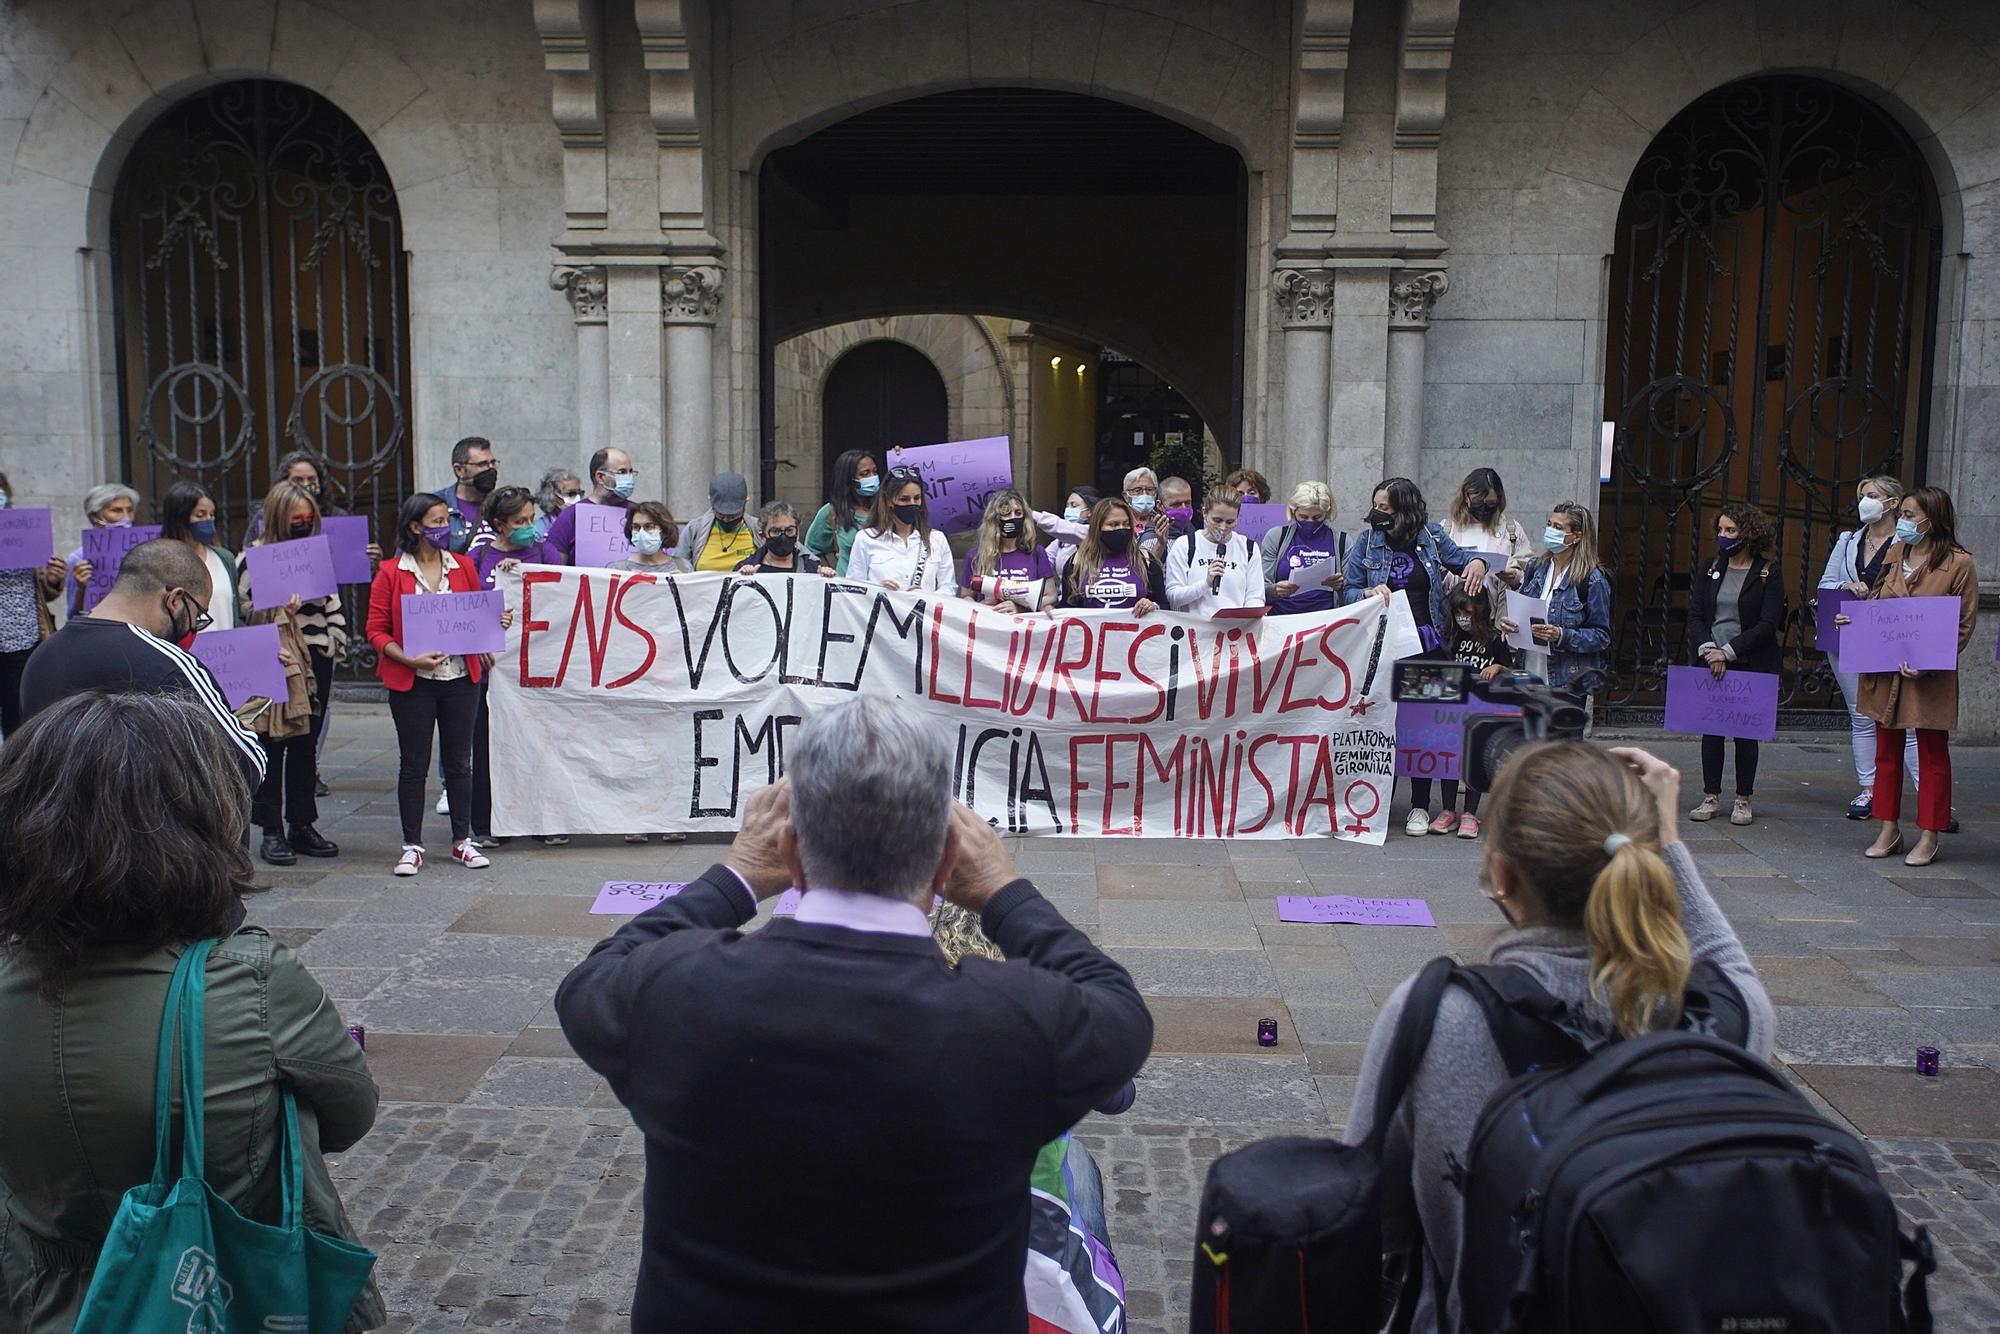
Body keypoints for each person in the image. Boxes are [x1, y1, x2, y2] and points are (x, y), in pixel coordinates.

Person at [553, 696, 1152, 1332]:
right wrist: (1005, 892)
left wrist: (734, 877)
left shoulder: (678, 994)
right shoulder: (1007, 1022)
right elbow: (1118, 1011)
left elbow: (590, 982)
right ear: (950, 859)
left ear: (787, 851)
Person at [1345, 742, 1773, 1333]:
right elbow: (1725, 959)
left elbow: (1363, 1219)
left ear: (1500, 874)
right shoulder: (1725, 1018)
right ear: (1643, 857)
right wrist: (1666, 837)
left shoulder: (1444, 1017)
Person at [0, 691, 384, 1334]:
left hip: (36, 1296)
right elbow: (350, 1112)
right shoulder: (251, 979)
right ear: (200, 822)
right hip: (213, 1293)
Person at [20, 538, 266, 790]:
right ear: (175, 599)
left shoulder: (41, 658)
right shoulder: (168, 663)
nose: (194, 626)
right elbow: (244, 766)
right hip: (138, 827)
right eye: (198, 614)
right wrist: (240, 732)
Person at [1845, 485, 1979, 868]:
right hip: (1886, 672)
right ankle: (1888, 827)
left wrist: (1930, 660)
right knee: (1886, 751)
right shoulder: (1895, 552)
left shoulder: (1959, 563)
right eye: (1901, 514)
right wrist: (1857, 620)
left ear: (1931, 520)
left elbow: (1963, 625)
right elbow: (1878, 599)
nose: (1902, 522)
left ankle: (1930, 833)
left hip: (1927, 678)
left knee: (1932, 754)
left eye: (1908, 515)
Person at [366, 493, 499, 877]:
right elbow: (375, 629)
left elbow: (474, 613)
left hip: (460, 678)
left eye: (446, 522)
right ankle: (412, 845)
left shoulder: (462, 566)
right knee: (414, 763)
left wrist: (491, 629)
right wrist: (406, 657)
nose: (445, 529)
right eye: (437, 522)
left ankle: (462, 840)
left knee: (460, 761)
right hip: (414, 682)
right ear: (415, 527)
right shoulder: (392, 573)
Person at [237, 481, 344, 866]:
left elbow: (331, 600)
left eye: (309, 517)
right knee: (272, 742)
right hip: (275, 657)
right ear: (280, 516)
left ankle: (302, 824)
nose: (303, 523)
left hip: (316, 657)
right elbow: (244, 606)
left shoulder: (316, 552)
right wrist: (274, 604)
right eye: (296, 518)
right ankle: (271, 830)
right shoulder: (253, 557)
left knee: (305, 744)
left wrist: (335, 637)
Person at [1819, 475, 1917, 820]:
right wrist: (1848, 585)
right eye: (1862, 495)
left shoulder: (1906, 541)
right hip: (1848, 636)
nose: (1865, 502)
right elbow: (1826, 584)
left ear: (1892, 502)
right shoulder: (1849, 541)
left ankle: (1927, 794)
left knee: (1903, 716)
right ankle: (1869, 790)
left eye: (1872, 495)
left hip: (1888, 637)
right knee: (1861, 716)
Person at [1685, 503, 1784, 828]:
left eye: (1731, 530)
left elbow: (1769, 623)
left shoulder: (1768, 572)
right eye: (1721, 530)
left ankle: (1744, 799)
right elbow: (1697, 613)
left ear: (1749, 534)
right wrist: (1708, 648)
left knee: (1745, 734)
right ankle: (1711, 796)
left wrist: (1728, 652)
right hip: (1710, 658)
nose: (1723, 536)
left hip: (1748, 661)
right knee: (1711, 732)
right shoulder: (1711, 566)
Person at [1405, 585, 1517, 839]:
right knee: (1449, 761)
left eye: (1467, 612)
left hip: (1480, 715)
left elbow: (1511, 669)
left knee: (1473, 762)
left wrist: (1498, 667)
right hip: (1451, 713)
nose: (1462, 618)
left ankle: (1470, 813)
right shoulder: (1451, 638)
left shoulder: (1495, 638)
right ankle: (1447, 810)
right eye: (1458, 612)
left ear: (1480, 610)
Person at [1342, 479, 1490, 656]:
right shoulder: (1366, 541)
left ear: (1404, 510)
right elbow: (1349, 593)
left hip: (1428, 634)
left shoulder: (1431, 535)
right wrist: (1368, 593)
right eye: (1375, 506)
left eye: (1384, 508)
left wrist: (1479, 563)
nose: (1376, 512)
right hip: (1383, 637)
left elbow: (1464, 561)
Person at [1502, 502, 1613, 698]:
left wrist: (1561, 635)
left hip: (1567, 681)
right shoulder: (1536, 567)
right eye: (1549, 524)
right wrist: (1511, 625)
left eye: (1559, 528)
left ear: (1576, 537)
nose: (1551, 531)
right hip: (1528, 674)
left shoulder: (1592, 579)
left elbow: (1601, 636)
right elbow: (1526, 613)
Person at [0, 471, 65, 738]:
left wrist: (53, 578)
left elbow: (41, 589)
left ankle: (14, 775)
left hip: (24, 638)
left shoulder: (23, 530)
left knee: (20, 716)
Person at [846, 465, 957, 594]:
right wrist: (877, 590)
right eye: (904, 499)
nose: (912, 503)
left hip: (924, 613)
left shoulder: (937, 539)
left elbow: (949, 587)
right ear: (889, 501)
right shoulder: (866, 538)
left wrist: (928, 596)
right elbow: (853, 589)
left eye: (917, 498)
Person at [1059, 497, 1164, 615]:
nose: (1121, 529)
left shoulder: (1146, 560)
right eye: (1113, 524)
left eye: (1126, 524)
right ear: (1097, 528)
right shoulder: (1077, 562)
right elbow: (1066, 609)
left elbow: (1164, 605)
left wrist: (1152, 605)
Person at [1165, 490, 1265, 615]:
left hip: (1234, 630)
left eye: (1230, 522)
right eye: (1217, 520)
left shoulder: (1248, 548)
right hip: (1196, 629)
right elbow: (1174, 597)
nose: (1223, 528)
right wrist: (1206, 583)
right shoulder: (1185, 544)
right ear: (1205, 513)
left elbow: (1255, 596)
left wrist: (1247, 617)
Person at [159, 481, 239, 631]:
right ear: (179, 517)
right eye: (200, 515)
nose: (208, 520)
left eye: (212, 514)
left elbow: (235, 613)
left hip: (227, 650)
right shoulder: (161, 562)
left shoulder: (225, 558)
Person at [1442, 466, 1533, 596]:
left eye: (1490, 503)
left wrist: (1514, 577)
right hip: (1454, 608)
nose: (1483, 507)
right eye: (1478, 501)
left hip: (1496, 609)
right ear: (1466, 497)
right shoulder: (1447, 530)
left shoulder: (1511, 530)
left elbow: (1530, 578)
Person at [960, 489, 1055, 611]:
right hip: (989, 624)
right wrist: (981, 607)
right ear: (995, 519)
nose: (1013, 518)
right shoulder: (975, 556)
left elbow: (1050, 596)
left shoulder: (1036, 553)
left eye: (1018, 513)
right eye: (1006, 513)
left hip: (1024, 626)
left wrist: (1020, 607)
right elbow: (966, 596)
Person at [1264, 480, 1349, 616]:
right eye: (1303, 517)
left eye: (1317, 517)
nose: (1310, 522)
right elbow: (1259, 589)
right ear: (1293, 511)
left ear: (1327, 513)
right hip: (1283, 617)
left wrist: (1340, 586)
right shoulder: (1276, 536)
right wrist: (1274, 590)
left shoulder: (1341, 541)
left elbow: (1353, 591)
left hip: (1327, 620)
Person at [544, 447, 638, 562]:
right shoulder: (572, 515)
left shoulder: (639, 513)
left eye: (630, 472)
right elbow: (555, 567)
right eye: (622, 472)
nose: (629, 477)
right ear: (600, 477)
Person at [63, 481, 140, 615]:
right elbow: (73, 616)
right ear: (95, 516)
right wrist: (82, 588)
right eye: (116, 511)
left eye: (130, 510)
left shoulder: (143, 551)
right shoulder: (80, 558)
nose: (126, 517)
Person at [803, 448, 880, 575]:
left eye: (875, 472)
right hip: (847, 589)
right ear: (848, 479)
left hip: (886, 588)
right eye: (865, 474)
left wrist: (900, 459)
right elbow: (812, 549)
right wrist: (829, 574)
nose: (872, 477)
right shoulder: (833, 512)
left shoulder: (887, 507)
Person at [469, 485, 559, 587]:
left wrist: (522, 572)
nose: (530, 526)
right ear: (499, 524)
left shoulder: (546, 552)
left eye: (532, 518)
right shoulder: (477, 556)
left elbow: (558, 593)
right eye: (520, 522)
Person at [736, 501, 832, 577]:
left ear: (797, 533)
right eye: (775, 531)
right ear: (763, 535)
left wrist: (827, 578)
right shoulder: (746, 566)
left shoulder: (811, 568)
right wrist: (741, 578)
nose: (783, 536)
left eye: (789, 530)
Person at [437, 435, 498, 553]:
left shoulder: (501, 504)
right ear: (459, 470)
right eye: (482, 464)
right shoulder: (436, 505)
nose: (490, 469)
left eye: (493, 463)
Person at [1030, 484, 1100, 578]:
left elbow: (1060, 527)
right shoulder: (1060, 543)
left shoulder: (1093, 533)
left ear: (1090, 511)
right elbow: (1043, 562)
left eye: (1074, 506)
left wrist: (1030, 514)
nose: (1069, 509)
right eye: (1067, 505)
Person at [610, 501, 690, 578]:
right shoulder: (619, 570)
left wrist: (683, 587)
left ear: (664, 530)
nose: (641, 532)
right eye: (636, 527)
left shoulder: (683, 567)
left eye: (648, 526)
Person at [1121, 466, 1168, 560]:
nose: (1144, 494)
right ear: (1126, 496)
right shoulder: (1119, 523)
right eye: (1137, 490)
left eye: (1149, 490)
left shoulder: (1163, 522)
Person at [534, 466, 586, 539]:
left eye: (580, 493)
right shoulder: (539, 531)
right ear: (552, 495)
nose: (578, 498)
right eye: (571, 494)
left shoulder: (586, 524)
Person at [1158, 475, 1196, 545]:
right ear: (1160, 506)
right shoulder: (1152, 539)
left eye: (1187, 503)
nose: (1184, 508)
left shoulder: (1195, 535)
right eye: (1176, 504)